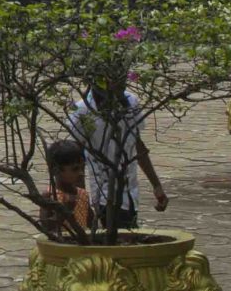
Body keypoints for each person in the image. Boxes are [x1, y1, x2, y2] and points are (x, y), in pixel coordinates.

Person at [68, 70, 169, 230]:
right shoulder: (81, 112)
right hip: (103, 190)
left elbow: (137, 145)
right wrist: (83, 203)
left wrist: (156, 186)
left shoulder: (130, 102)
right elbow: (77, 161)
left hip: (130, 189)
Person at [39, 140, 93, 237]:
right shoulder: (50, 196)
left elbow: (90, 223)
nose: (81, 173)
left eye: (82, 168)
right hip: (61, 247)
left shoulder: (83, 194)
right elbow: (47, 228)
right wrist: (65, 210)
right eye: (75, 169)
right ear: (55, 170)